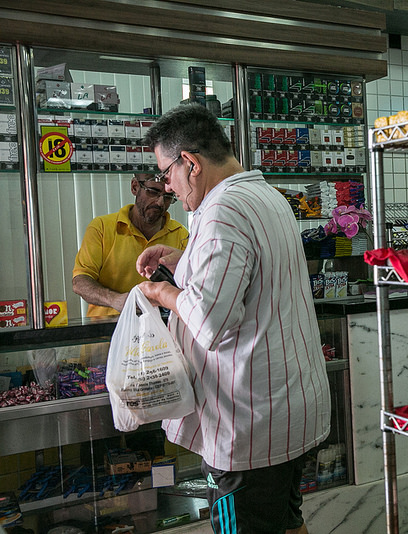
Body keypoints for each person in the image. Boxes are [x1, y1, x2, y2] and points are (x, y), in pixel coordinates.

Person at [136, 104, 330, 534]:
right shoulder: (264, 196)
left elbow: (211, 325)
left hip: (248, 426)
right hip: (286, 411)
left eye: (166, 174)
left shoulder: (223, 211)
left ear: (190, 162)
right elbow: (245, 273)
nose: (166, 187)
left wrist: (163, 292)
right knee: (286, 521)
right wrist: (184, 260)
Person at [72, 173, 189, 316]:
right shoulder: (102, 227)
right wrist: (115, 300)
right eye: (153, 192)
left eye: (168, 196)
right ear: (135, 187)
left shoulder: (181, 234)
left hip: (159, 331)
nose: (159, 203)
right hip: (107, 329)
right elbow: (80, 281)